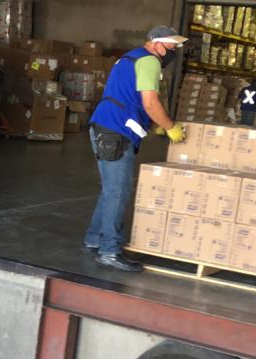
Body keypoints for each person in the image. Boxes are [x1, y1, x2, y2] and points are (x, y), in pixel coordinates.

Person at [85, 25, 187, 272]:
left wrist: (156, 124)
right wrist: (170, 126)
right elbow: (150, 102)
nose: (173, 52)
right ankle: (109, 251)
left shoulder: (130, 57)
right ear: (156, 44)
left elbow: (130, 97)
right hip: (115, 132)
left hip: (105, 127)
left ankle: (95, 239)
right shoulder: (149, 62)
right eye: (171, 47)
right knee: (118, 192)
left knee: (111, 190)